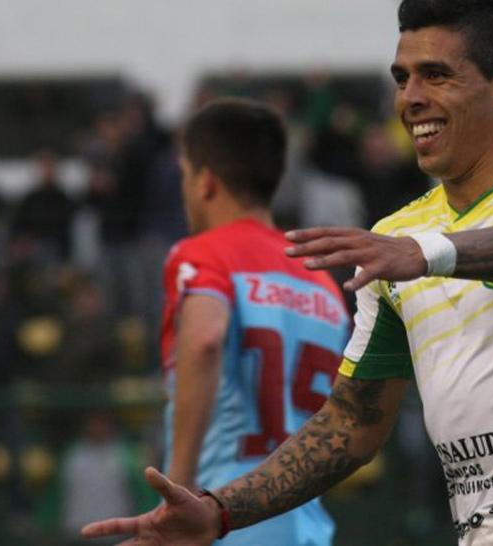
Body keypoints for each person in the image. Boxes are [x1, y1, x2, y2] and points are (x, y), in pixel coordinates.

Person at [82, 1, 493, 544]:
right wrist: (219, 511)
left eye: (435, 75)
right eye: (401, 78)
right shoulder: (396, 235)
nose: (409, 98)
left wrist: (428, 253)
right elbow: (352, 422)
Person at [120, 98, 352, 546]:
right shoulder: (321, 279)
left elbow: (205, 339)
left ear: (205, 181)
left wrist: (178, 492)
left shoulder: (203, 254)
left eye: (185, 175)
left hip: (222, 519)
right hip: (307, 526)